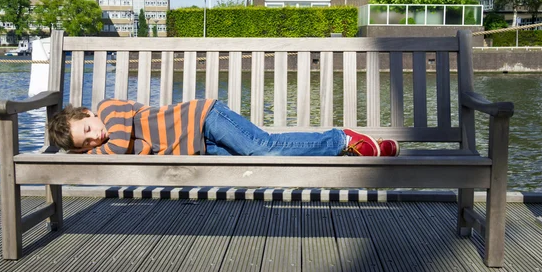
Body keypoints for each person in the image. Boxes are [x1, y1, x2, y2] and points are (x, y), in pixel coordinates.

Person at [47, 98, 399, 157]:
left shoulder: (111, 109)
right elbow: (134, 150)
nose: (97, 137)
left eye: (88, 129)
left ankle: (341, 138)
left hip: (205, 117)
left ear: (89, 113)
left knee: (266, 148)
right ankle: (361, 148)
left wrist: (106, 151)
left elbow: (122, 142)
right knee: (265, 155)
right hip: (200, 147)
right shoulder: (110, 137)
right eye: (89, 144)